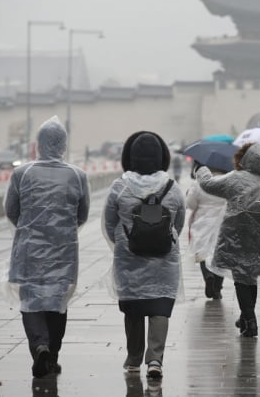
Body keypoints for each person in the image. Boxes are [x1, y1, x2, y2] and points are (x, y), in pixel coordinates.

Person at [3, 116, 90, 378]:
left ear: (39, 144)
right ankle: (52, 354)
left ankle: (39, 345)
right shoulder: (77, 175)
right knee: (57, 301)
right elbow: (82, 214)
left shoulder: (22, 173)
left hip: (30, 248)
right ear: (63, 145)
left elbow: (11, 210)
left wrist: (31, 226)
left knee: (31, 301)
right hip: (63, 249)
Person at [103, 131, 185, 379]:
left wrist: (124, 240)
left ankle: (133, 357)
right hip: (165, 258)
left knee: (134, 307)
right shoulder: (173, 188)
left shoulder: (119, 187)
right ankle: (155, 360)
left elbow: (109, 223)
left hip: (129, 257)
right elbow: (178, 224)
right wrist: (161, 238)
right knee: (160, 305)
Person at [197, 142, 260, 337]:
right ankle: (245, 316)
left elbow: (207, 184)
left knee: (240, 278)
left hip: (235, 236)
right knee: (249, 278)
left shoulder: (235, 179)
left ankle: (250, 320)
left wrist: (201, 169)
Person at [186, 161, 227, 300]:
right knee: (220, 255)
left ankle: (208, 277)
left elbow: (190, 204)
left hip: (202, 223)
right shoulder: (227, 182)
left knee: (203, 253)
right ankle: (218, 288)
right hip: (222, 223)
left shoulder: (199, 183)